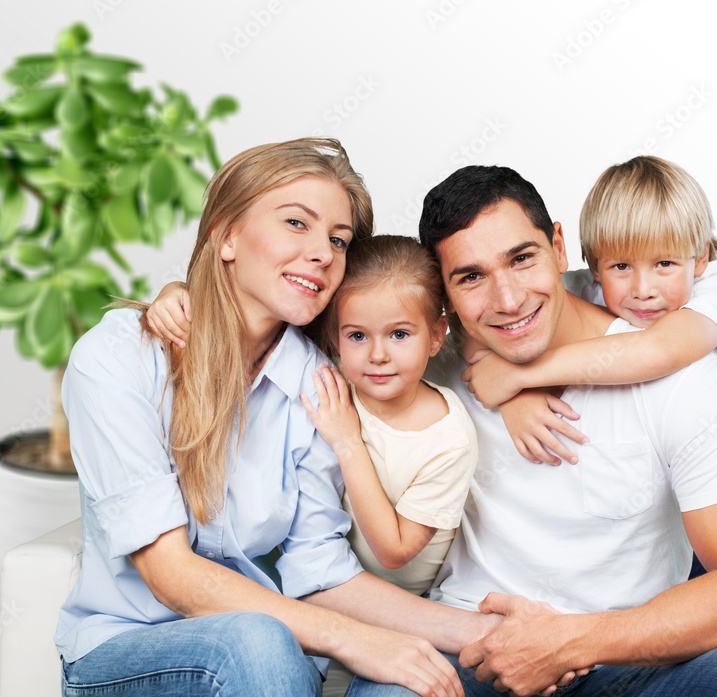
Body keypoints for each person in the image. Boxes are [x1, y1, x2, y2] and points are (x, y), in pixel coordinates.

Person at [348, 164, 717, 696]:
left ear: (559, 247)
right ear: (443, 295)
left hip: (628, 660)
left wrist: (568, 641)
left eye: (522, 259)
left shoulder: (675, 371)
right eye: (471, 277)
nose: (507, 299)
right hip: (477, 654)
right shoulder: (416, 364)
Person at [54, 137, 495, 697]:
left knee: (409, 676)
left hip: (271, 662)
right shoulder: (116, 359)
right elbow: (170, 575)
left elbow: (320, 570)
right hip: (124, 653)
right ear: (228, 234)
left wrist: (483, 632)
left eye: (338, 240)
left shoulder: (318, 382)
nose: (323, 252)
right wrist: (350, 639)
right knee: (255, 641)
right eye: (296, 223)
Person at [460, 155, 717, 651]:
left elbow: (657, 351)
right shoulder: (577, 287)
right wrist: (515, 396)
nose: (643, 290)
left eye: (665, 264)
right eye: (621, 267)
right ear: (590, 262)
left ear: (700, 258)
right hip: (657, 485)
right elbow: (485, 315)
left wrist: (522, 376)